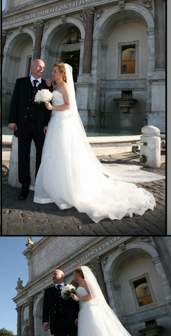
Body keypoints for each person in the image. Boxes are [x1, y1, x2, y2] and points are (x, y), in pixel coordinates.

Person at [33, 63, 157, 222]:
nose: (52, 72)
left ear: (62, 74)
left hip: (62, 123)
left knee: (63, 155)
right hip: (55, 123)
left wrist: (51, 107)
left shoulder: (64, 86)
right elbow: (54, 95)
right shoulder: (57, 86)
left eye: (54, 71)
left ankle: (67, 190)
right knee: (53, 155)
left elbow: (69, 106)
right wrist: (49, 89)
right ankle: (54, 188)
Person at [7, 58, 52, 200]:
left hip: (40, 127)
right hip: (23, 126)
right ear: (31, 67)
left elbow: (48, 109)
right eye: (38, 66)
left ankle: (39, 185)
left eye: (43, 67)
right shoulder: (21, 82)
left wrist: (46, 124)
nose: (41, 69)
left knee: (41, 156)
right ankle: (24, 187)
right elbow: (14, 102)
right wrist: (12, 121)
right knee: (23, 156)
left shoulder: (47, 85)